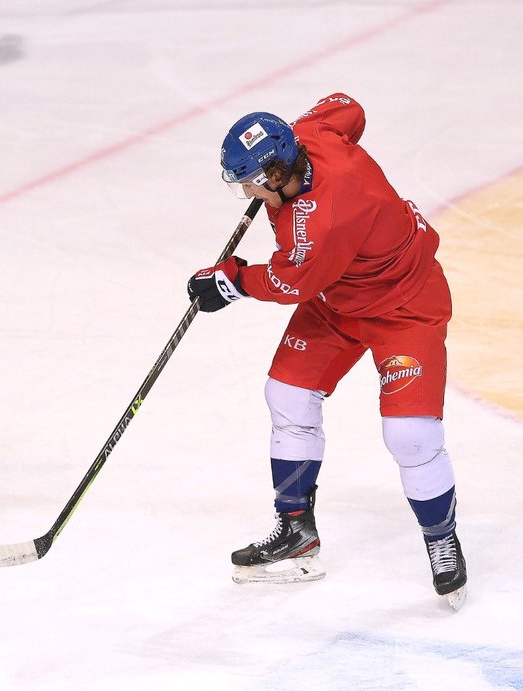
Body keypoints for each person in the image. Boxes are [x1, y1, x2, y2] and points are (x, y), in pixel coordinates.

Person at [186, 94, 467, 609]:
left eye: (251, 179)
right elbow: (349, 108)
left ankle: (441, 539)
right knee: (287, 395)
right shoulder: (311, 135)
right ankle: (296, 531)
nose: (247, 190)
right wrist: (296, 131)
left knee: (410, 435)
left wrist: (230, 282)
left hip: (403, 304)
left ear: (275, 173)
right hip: (339, 299)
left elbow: (288, 281)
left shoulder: (323, 221)